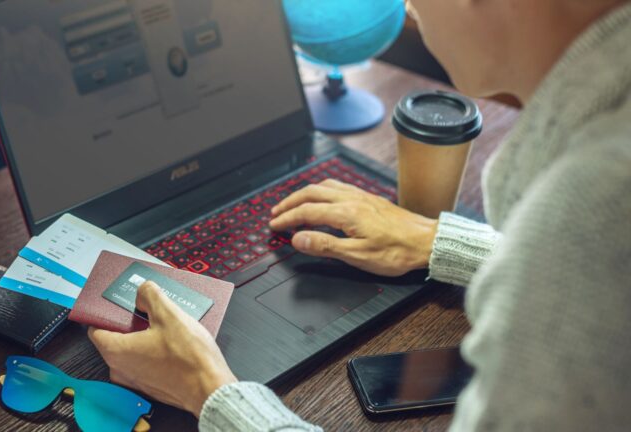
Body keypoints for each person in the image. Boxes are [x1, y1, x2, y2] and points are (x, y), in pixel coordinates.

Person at [88, 0, 631, 430]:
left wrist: (210, 392)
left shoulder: (589, 208)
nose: (408, 8)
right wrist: (441, 241)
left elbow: (588, 255)